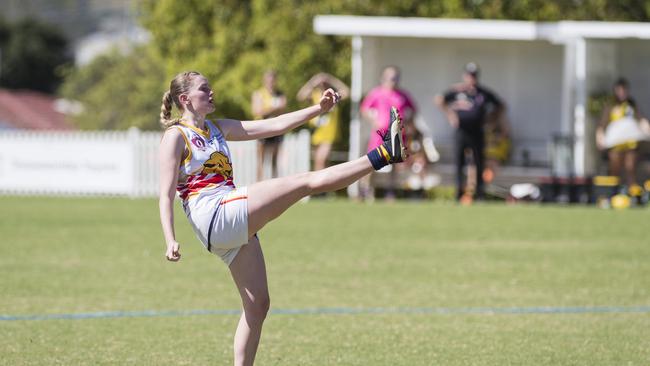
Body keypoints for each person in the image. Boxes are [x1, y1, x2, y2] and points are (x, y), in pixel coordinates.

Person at [158, 71, 407, 366]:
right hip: (215, 214)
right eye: (204, 89)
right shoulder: (176, 136)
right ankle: (383, 154)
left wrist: (319, 109)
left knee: (258, 306)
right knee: (304, 182)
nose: (211, 92)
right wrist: (170, 238)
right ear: (185, 99)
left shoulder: (216, 128)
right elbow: (165, 194)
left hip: (226, 220)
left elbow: (273, 125)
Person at [434, 62, 505, 201]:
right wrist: (450, 115)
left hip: (477, 131)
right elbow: (439, 100)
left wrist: (491, 120)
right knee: (459, 163)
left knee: (478, 162)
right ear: (464, 76)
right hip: (461, 131)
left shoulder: (483, 93)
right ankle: (459, 192)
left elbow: (500, 105)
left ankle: (479, 193)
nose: (471, 79)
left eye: (474, 76)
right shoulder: (457, 91)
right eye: (469, 75)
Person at [360, 65, 417, 200]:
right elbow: (364, 109)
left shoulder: (403, 95)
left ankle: (390, 192)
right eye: (390, 77)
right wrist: (374, 121)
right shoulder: (376, 93)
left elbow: (413, 110)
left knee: (394, 164)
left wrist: (408, 123)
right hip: (380, 134)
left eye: (395, 78)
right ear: (383, 78)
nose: (393, 80)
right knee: (371, 162)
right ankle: (365, 190)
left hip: (397, 135)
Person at [596, 78, 650, 189]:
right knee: (615, 167)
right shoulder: (610, 106)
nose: (621, 93)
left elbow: (640, 119)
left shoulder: (631, 105)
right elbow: (602, 124)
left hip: (630, 143)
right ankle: (613, 191)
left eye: (624, 90)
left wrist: (646, 128)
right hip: (615, 143)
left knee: (630, 166)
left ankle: (632, 190)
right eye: (619, 90)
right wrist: (599, 137)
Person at [297, 72, 350, 172]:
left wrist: (331, 79)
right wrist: (313, 81)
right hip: (317, 133)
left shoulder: (334, 95)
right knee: (323, 163)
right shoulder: (315, 94)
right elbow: (300, 96)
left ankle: (318, 184)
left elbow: (346, 91)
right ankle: (324, 185)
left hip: (329, 134)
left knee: (321, 160)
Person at [251, 70, 286, 180]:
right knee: (261, 159)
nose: (271, 82)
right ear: (264, 80)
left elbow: (283, 109)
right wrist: (274, 109)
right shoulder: (258, 94)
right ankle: (258, 184)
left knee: (274, 159)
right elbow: (257, 111)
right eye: (268, 79)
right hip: (262, 128)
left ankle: (274, 184)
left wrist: (266, 109)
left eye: (273, 79)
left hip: (276, 129)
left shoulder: (280, 94)